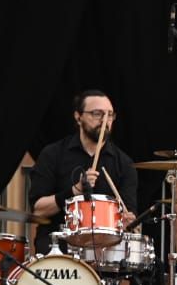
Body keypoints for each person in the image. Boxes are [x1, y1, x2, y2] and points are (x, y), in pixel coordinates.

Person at [28, 90, 139, 254]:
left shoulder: (124, 164)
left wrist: (128, 221)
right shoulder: (53, 154)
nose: (104, 121)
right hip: (58, 246)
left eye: (109, 115)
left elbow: (129, 215)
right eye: (97, 114)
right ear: (78, 117)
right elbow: (38, 209)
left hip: (104, 250)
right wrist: (75, 190)